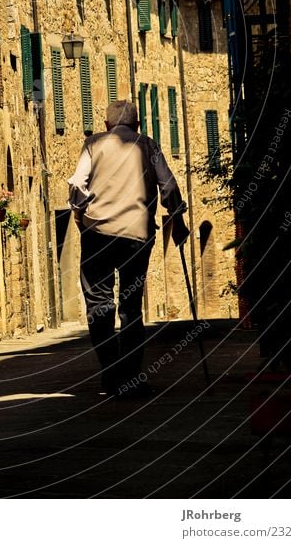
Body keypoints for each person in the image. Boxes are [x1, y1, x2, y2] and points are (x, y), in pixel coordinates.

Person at [68, 99, 189, 398]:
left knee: (99, 304)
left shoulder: (92, 145)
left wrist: (80, 215)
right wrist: (178, 219)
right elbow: (169, 187)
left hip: (98, 234)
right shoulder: (148, 145)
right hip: (137, 235)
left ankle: (111, 375)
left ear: (107, 125)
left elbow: (77, 185)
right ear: (137, 125)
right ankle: (131, 379)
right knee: (132, 306)